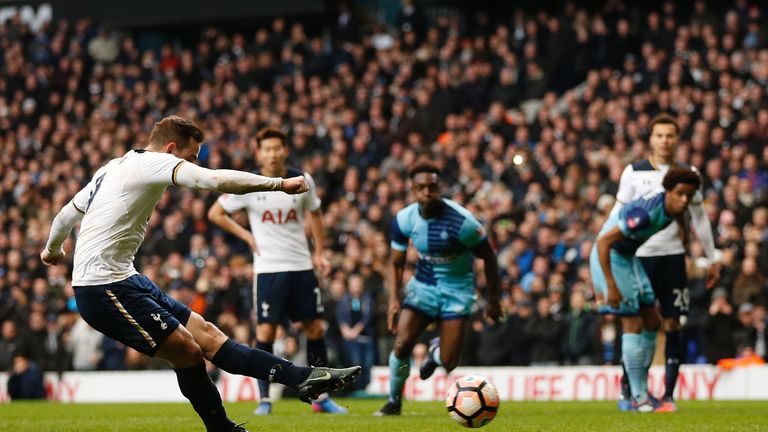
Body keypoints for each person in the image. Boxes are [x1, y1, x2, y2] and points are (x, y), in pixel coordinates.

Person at [40, 116, 360, 432]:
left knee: (208, 335)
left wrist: (52, 250)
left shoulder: (112, 167)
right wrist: (279, 184)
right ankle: (222, 428)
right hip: (102, 288)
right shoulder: (154, 163)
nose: (195, 163)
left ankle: (302, 378)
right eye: (192, 156)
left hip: (126, 278)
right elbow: (215, 181)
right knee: (188, 349)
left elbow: (67, 214)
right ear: (171, 148)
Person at [207, 127, 347, 415]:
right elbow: (215, 213)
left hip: (301, 266)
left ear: (285, 150)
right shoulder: (251, 183)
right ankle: (265, 400)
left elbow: (316, 213)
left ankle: (320, 398)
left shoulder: (302, 180)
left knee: (315, 327)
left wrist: (319, 252)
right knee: (266, 331)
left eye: (277, 148)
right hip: (269, 269)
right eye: (267, 149)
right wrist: (245, 235)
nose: (273, 153)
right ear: (259, 153)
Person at [374, 160, 501, 416]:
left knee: (449, 363)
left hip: (458, 291)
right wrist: (394, 301)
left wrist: (494, 299)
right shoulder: (404, 219)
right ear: (412, 190)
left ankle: (435, 353)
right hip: (423, 288)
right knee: (402, 344)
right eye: (421, 187)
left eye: (432, 187)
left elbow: (489, 256)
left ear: (440, 187)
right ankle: (393, 401)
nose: (427, 192)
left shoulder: (463, 223)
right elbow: (396, 263)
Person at [611, 114, 719, 412]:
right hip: (639, 258)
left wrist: (711, 258)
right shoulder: (633, 172)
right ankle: (630, 391)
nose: (665, 140)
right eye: (659, 135)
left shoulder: (688, 173)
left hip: (673, 257)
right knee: (635, 325)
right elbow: (618, 215)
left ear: (677, 139)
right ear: (651, 139)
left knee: (673, 323)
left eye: (670, 135)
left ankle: (668, 395)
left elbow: (699, 219)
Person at [590, 166, 701, 412]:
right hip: (611, 257)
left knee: (652, 321)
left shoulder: (674, 208)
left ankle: (641, 390)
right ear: (668, 191)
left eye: (689, 196)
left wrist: (684, 236)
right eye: (680, 194)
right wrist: (610, 285)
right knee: (632, 322)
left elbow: (680, 216)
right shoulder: (645, 214)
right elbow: (603, 241)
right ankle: (637, 397)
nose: (685, 200)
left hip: (629, 257)